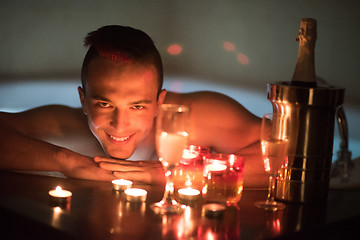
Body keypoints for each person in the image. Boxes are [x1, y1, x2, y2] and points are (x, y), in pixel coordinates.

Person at [0, 25, 266, 187]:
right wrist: (67, 161)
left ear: (159, 102)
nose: (120, 124)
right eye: (104, 104)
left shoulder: (196, 116)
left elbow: (288, 153)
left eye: (137, 106)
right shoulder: (64, 124)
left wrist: (185, 172)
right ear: (83, 101)